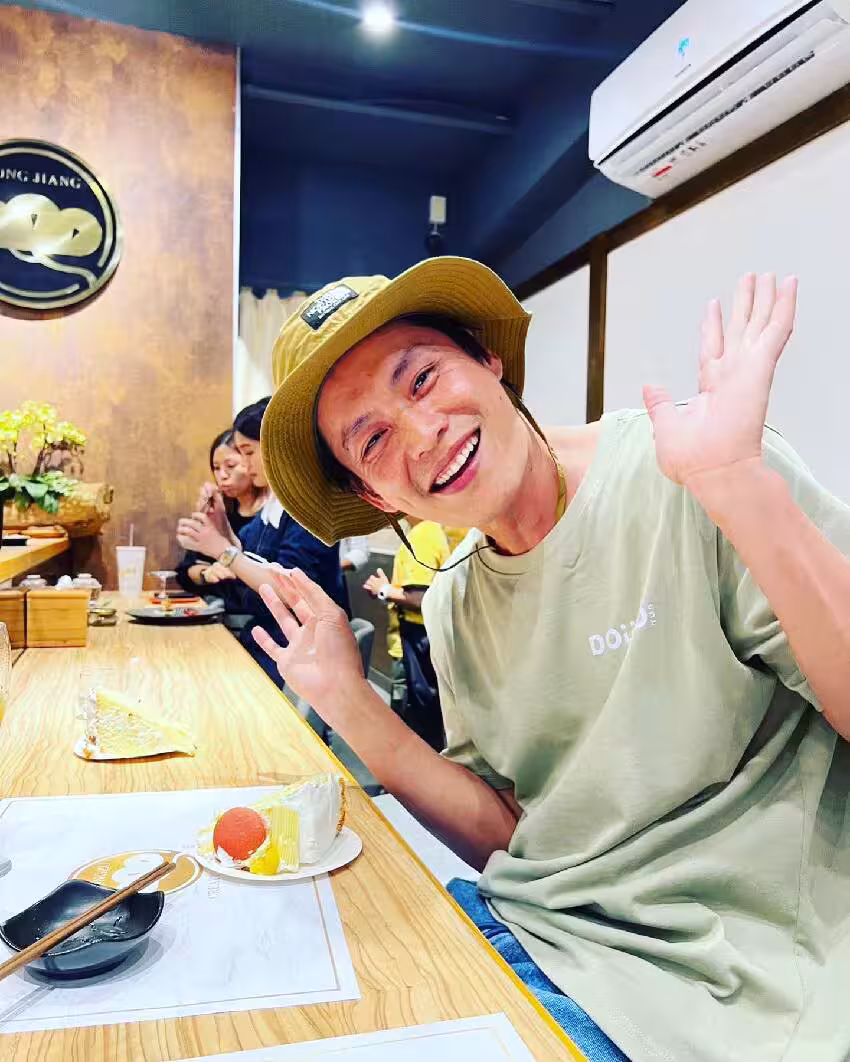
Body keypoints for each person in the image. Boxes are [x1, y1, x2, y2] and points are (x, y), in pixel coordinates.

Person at [248, 258, 850, 1062]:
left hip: (734, 978)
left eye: (422, 379)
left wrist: (743, 489)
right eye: (375, 439)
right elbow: (513, 831)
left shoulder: (687, 474)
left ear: (489, 360)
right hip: (546, 931)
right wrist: (348, 703)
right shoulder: (453, 602)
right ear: (377, 497)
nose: (423, 433)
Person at [176, 397, 348, 687]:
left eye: (248, 452)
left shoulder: (308, 505)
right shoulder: (274, 507)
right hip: (271, 639)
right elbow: (250, 557)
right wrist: (222, 527)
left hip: (302, 652)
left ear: (276, 445)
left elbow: (290, 590)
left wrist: (221, 549)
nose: (245, 464)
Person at [363, 517, 449, 750]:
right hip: (417, 639)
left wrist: (383, 590)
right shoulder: (426, 531)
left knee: (416, 721)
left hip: (416, 641)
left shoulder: (422, 535)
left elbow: (421, 598)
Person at [175, 430, 266, 593]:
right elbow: (185, 570)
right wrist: (206, 573)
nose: (222, 475)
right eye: (216, 468)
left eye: (230, 466)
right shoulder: (218, 509)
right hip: (219, 604)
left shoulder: (270, 517)